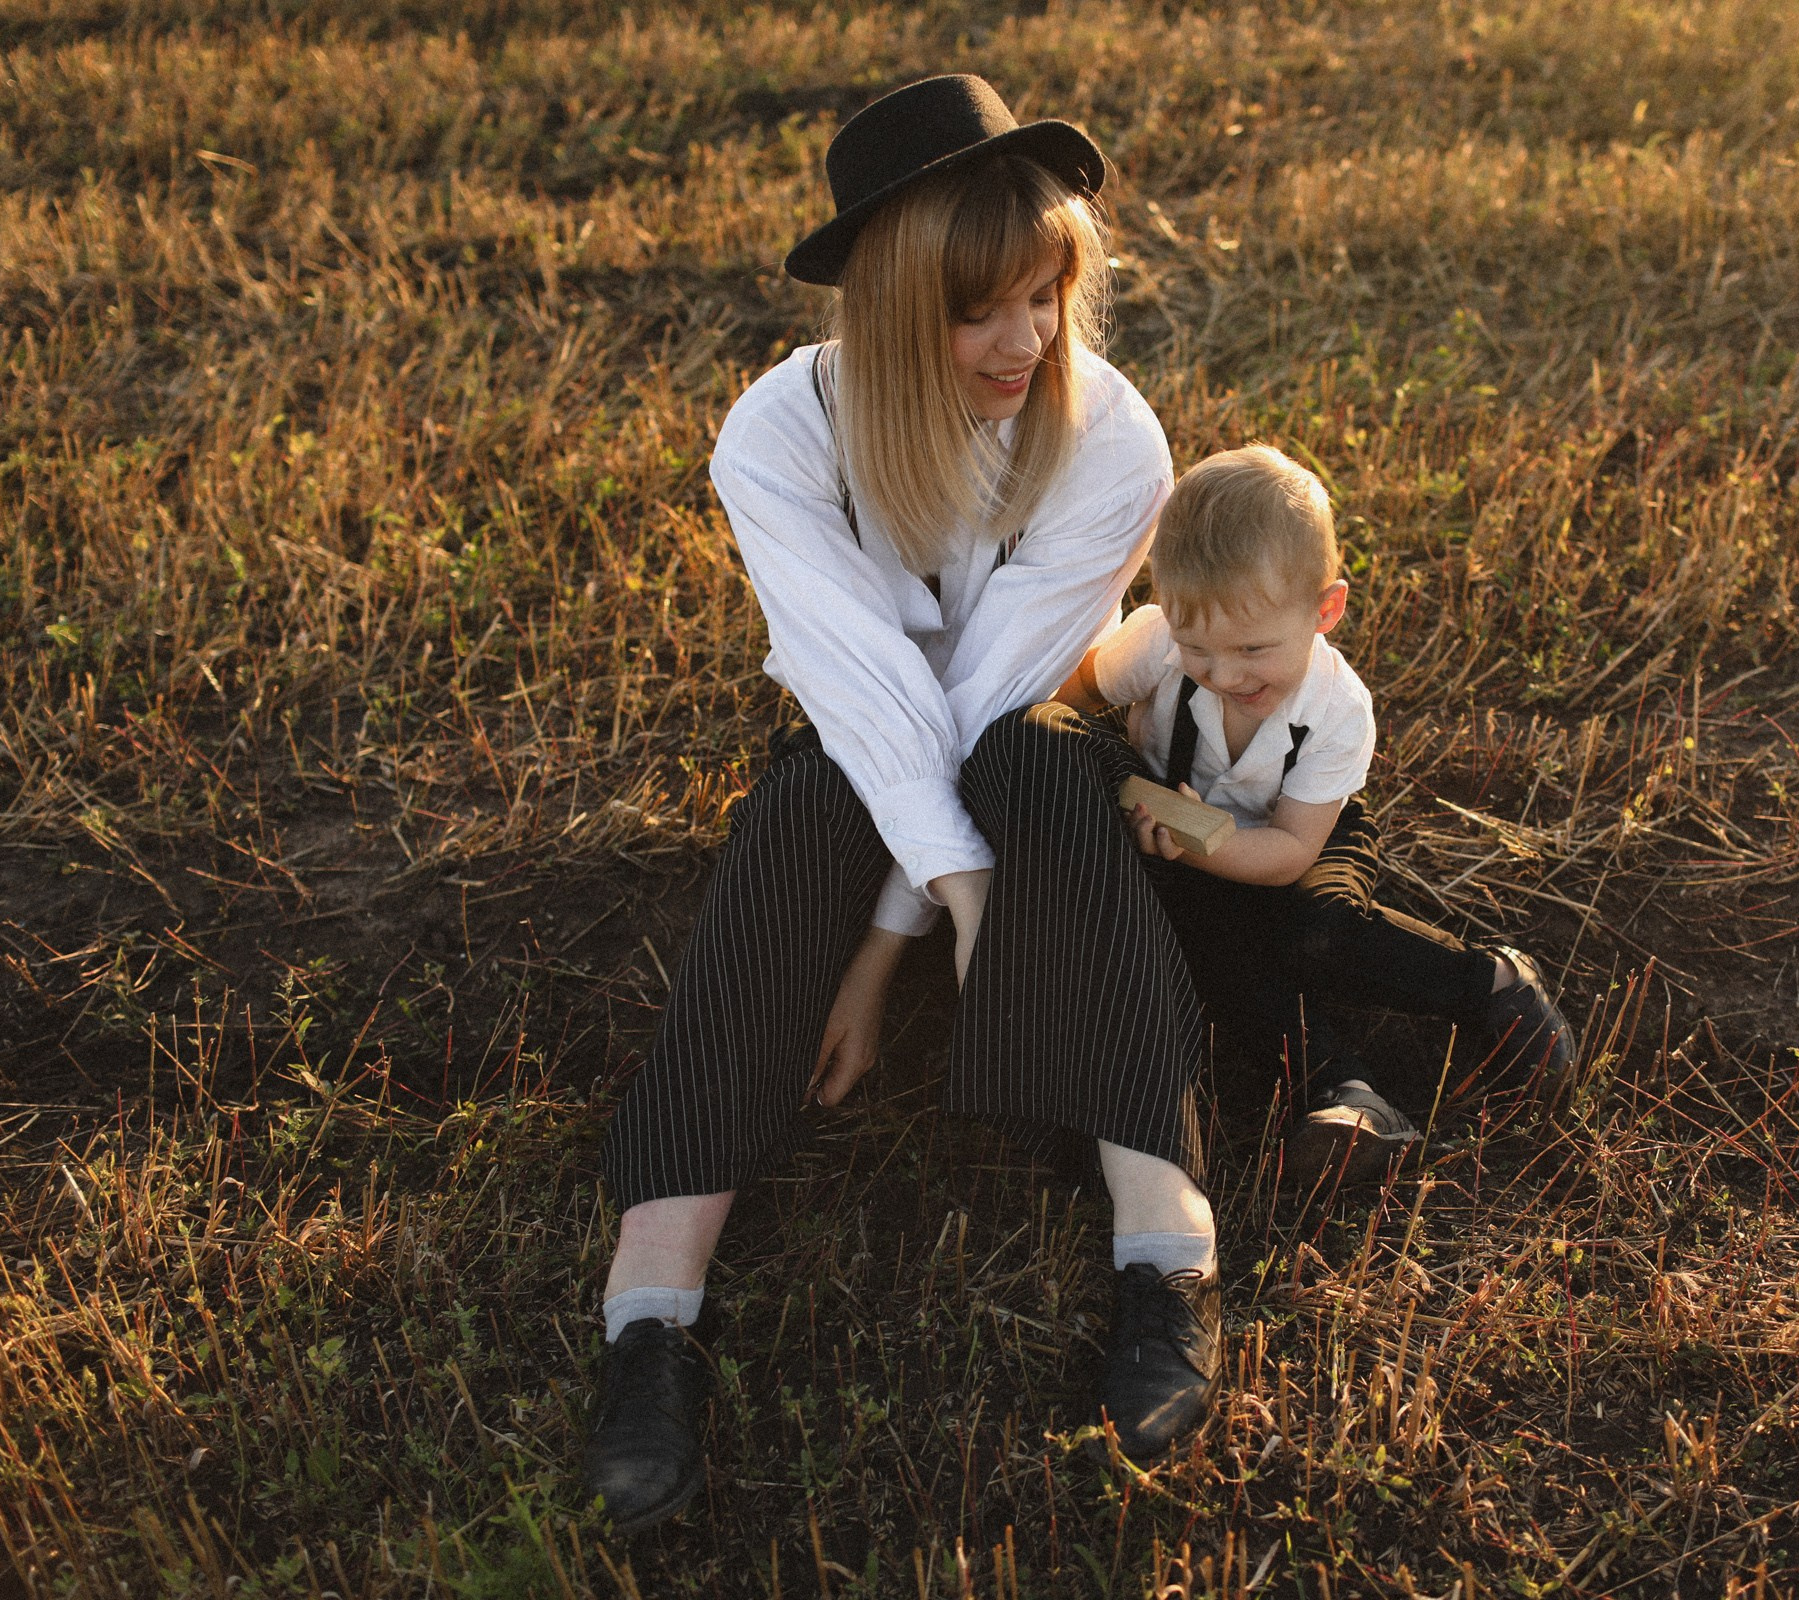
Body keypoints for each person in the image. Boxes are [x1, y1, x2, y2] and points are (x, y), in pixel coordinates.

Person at [582, 75, 1225, 1531]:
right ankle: (649, 1320)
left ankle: (1168, 1250)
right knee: (810, 796)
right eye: (976, 310)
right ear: (884, 306)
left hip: (1024, 749)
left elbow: (992, 697)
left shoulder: (1112, 436)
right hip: (858, 751)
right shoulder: (778, 434)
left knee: (1035, 765)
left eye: (1046, 294)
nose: (1027, 341)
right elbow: (864, 691)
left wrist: (897, 934)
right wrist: (949, 900)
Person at [1056, 445, 1577, 1183]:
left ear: (1325, 610)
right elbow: (1072, 698)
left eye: (1253, 648)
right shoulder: (1156, 642)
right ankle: (1346, 1093)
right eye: (1196, 647)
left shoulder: (1336, 711)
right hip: (1181, 833)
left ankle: (1487, 982)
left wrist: (1201, 844)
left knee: (1316, 929)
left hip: (1304, 831)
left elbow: (1291, 852)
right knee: (1216, 950)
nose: (1224, 674)